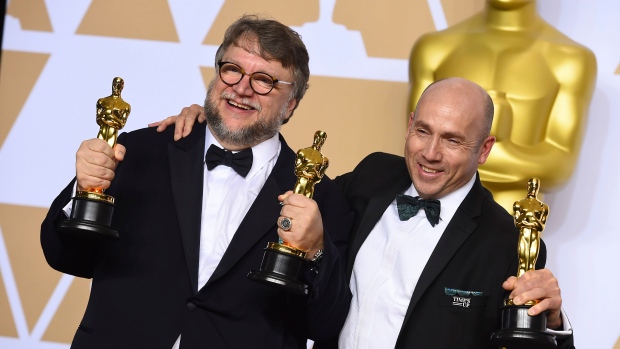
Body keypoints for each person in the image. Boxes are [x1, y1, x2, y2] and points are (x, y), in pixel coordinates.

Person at [159, 77, 574, 348]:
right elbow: (282, 190)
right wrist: (216, 129)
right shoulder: (372, 176)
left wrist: (553, 322)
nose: (430, 154)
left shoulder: (506, 241)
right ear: (410, 124)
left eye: (452, 140)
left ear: (484, 149)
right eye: (423, 131)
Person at [41, 15, 353, 349]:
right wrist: (84, 190)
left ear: (290, 104)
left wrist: (315, 252)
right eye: (232, 69)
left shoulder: (322, 200)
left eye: (264, 80)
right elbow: (65, 256)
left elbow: (324, 325)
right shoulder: (138, 151)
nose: (242, 88)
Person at [408, 0, 597, 211]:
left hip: (511, 216)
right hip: (433, 208)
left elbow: (558, 167)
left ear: (486, 147)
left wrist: (460, 152)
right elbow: (416, 144)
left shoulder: (571, 59)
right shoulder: (434, 48)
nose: (434, 151)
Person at [514, 177, 549, 278]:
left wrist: (530, 222)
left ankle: (526, 287)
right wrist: (532, 222)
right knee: (522, 261)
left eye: (535, 186)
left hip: (534, 234)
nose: (533, 188)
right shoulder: (519, 204)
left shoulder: (542, 207)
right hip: (524, 233)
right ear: (528, 186)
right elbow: (517, 222)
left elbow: (541, 226)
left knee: (531, 264)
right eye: (531, 186)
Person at [96, 77, 131, 148]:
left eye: (118, 84)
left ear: (122, 87)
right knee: (97, 152)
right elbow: (98, 119)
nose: (116, 86)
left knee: (109, 153)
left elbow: (121, 124)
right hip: (102, 131)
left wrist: (110, 117)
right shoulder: (102, 101)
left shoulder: (125, 106)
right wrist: (109, 120)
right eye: (114, 84)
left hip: (112, 133)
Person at [293, 130, 329, 198]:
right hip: (302, 181)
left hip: (310, 185)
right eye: (318, 137)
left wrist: (315, 174)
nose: (319, 140)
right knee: (296, 198)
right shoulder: (303, 152)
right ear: (315, 137)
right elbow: (297, 169)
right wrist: (305, 172)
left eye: (322, 139)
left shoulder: (324, 159)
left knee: (307, 201)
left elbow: (320, 176)